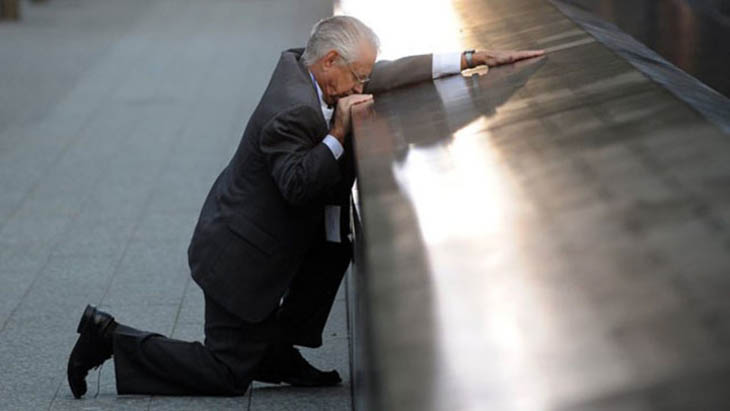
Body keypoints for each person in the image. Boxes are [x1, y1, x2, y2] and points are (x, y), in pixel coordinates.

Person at [66, 15, 544, 398]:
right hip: (236, 256)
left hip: (255, 237)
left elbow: (386, 72)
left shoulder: (312, 65)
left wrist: (466, 58)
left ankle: (274, 349)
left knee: (334, 243)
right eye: (357, 77)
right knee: (225, 375)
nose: (362, 86)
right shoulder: (291, 108)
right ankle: (109, 337)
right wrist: (338, 133)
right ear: (331, 60)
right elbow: (296, 184)